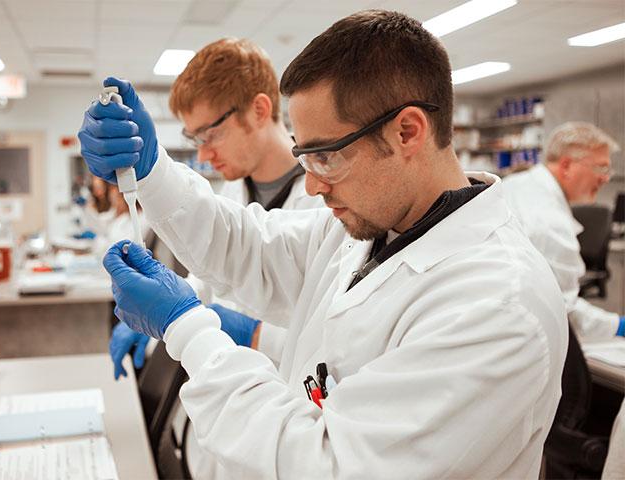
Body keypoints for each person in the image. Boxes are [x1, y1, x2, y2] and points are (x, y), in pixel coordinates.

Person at [79, 10, 568, 478]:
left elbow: (324, 465)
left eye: (326, 157)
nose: (311, 186)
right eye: (303, 157)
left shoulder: (497, 305)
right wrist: (152, 170)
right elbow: (249, 247)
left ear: (407, 131)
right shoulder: (369, 228)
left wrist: (188, 329)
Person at [108, 38, 323, 381]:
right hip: (227, 386)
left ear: (260, 110)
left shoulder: (329, 200)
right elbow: (208, 280)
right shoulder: (233, 188)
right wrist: (157, 316)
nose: (204, 156)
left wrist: (253, 333)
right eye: (196, 140)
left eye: (210, 135)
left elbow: (334, 341)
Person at [503, 122, 624, 340]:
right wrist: (617, 325)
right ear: (567, 166)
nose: (606, 178)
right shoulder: (550, 223)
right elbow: (563, 313)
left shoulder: (516, 184)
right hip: (519, 331)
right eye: (601, 168)